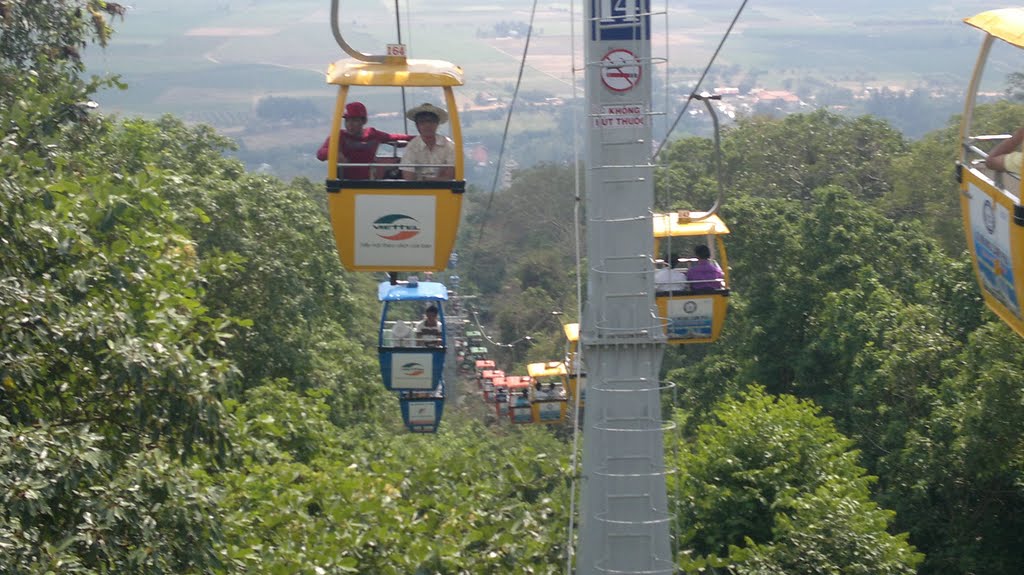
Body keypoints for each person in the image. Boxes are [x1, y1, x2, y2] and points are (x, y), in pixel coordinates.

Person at [316, 101, 412, 179]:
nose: (350, 124)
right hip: (345, 184)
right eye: (347, 120)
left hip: (367, 183)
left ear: (363, 121)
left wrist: (420, 138)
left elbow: (394, 138)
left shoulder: (372, 134)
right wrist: (332, 153)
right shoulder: (339, 136)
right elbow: (320, 154)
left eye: (354, 120)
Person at [401, 102, 456, 181]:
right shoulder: (412, 147)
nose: (427, 125)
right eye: (422, 122)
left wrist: (424, 178)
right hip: (419, 190)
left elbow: (450, 176)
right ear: (417, 126)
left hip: (445, 190)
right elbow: (408, 178)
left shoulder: (449, 145)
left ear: (437, 124)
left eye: (431, 121)